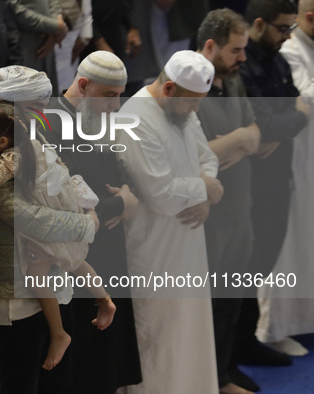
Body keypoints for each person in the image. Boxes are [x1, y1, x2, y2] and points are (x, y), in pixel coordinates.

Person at [0, 65, 97, 394]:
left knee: (59, 382)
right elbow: (26, 217)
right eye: (35, 105)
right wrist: (83, 224)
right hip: (16, 292)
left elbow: (61, 187)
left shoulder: (29, 134)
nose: (43, 111)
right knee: (22, 381)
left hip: (51, 277)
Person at [0, 102, 116, 371]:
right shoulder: (30, 141)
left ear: (2, 139)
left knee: (38, 274)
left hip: (47, 221)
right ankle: (104, 299)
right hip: (59, 210)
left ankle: (60, 332)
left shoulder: (12, 156)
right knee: (75, 260)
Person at [117, 50, 222, 393]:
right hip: (154, 251)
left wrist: (204, 195)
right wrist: (204, 189)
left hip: (189, 243)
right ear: (170, 88)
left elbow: (207, 157)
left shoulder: (183, 110)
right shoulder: (135, 119)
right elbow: (158, 193)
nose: (196, 110)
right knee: (159, 340)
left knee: (190, 334)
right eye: (192, 102)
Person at [42, 50, 143, 393]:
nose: (116, 106)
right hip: (75, 257)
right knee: (83, 358)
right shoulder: (51, 122)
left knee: (107, 359)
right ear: (83, 85)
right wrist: (121, 203)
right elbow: (66, 200)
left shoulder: (93, 116)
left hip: (108, 248)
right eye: (110, 96)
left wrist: (126, 193)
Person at [236, 0, 309, 368]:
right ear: (260, 24)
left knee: (261, 265)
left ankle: (245, 343)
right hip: (250, 186)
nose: (288, 36)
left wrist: (280, 126)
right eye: (283, 28)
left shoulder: (277, 59)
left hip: (278, 178)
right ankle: (236, 350)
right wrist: (283, 122)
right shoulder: (244, 64)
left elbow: (296, 108)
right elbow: (267, 120)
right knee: (245, 269)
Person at [196, 9, 262, 394]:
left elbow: (253, 130)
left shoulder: (233, 79)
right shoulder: (189, 89)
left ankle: (225, 373)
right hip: (210, 220)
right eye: (236, 50)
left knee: (232, 302)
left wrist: (233, 141)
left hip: (241, 209)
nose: (243, 58)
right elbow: (195, 155)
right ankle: (211, 379)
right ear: (210, 46)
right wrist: (237, 141)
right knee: (210, 306)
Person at [257, 0, 314, 358]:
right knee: (287, 242)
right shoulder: (291, 52)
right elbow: (300, 104)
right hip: (292, 164)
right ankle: (274, 326)